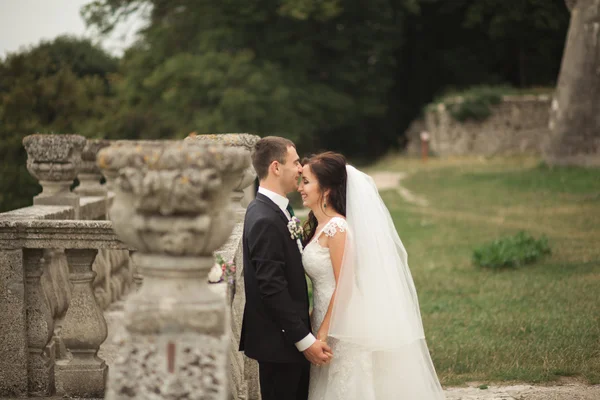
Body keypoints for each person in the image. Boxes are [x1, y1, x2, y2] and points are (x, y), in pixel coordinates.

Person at [299, 151, 445, 400]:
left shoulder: (338, 228)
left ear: (325, 190)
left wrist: (322, 333)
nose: (300, 188)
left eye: (306, 182)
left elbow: (344, 286)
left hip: (341, 326)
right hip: (324, 318)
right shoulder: (319, 226)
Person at [239, 137, 333, 400]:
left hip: (286, 340)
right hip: (280, 344)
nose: (301, 168)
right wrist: (305, 341)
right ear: (276, 167)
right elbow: (272, 287)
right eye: (295, 162)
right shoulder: (265, 219)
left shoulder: (273, 210)